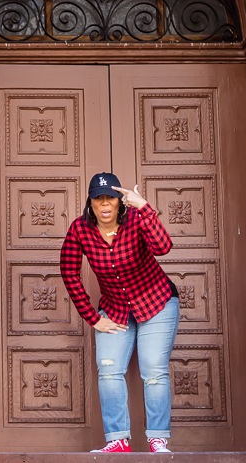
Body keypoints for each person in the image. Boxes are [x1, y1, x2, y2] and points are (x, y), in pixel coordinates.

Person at [59, 172, 179, 454]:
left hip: (157, 303)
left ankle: (158, 439)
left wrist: (144, 207)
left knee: (153, 369)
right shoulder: (80, 229)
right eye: (98, 198)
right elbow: (69, 272)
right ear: (90, 203)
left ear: (118, 202)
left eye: (110, 198)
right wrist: (93, 317)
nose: (104, 204)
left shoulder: (136, 218)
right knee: (109, 369)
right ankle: (118, 440)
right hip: (115, 311)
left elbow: (164, 247)